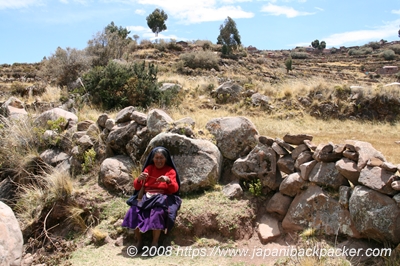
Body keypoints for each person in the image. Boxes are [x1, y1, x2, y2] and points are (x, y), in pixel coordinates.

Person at [122, 146, 181, 249]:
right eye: (156, 158)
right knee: (134, 210)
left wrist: (168, 180)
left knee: (158, 212)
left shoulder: (170, 170)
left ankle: (154, 243)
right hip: (147, 197)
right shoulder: (148, 169)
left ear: (166, 159)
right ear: (152, 159)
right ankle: (139, 242)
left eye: (161, 158)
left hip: (162, 197)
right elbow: (137, 186)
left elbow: (174, 189)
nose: (159, 160)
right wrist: (139, 179)